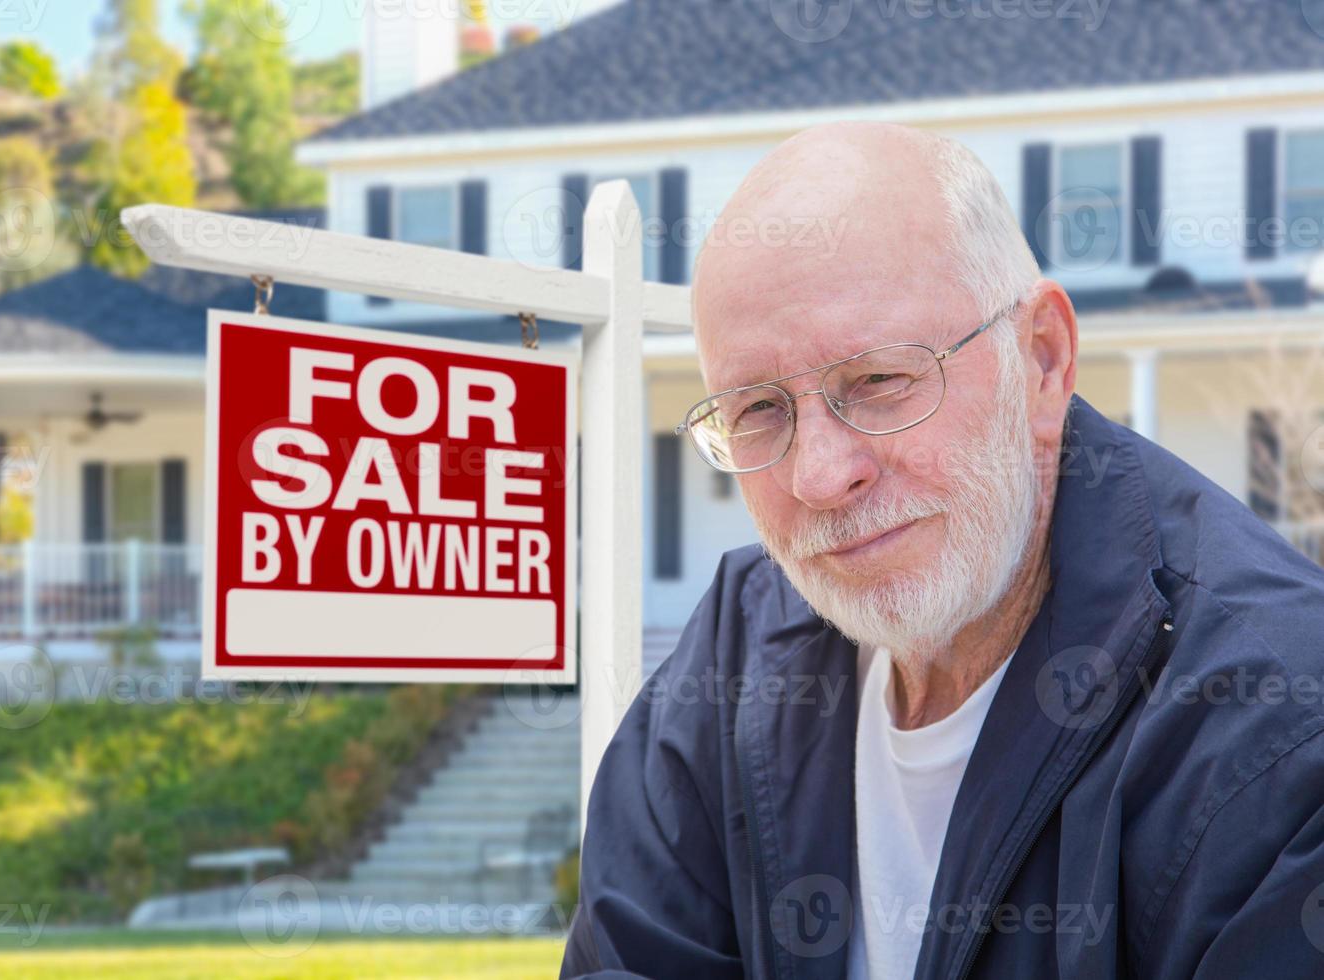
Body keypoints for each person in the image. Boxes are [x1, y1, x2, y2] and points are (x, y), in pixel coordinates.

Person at [559, 121, 1324, 979]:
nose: (819, 475)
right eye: (757, 410)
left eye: (879, 381)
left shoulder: (1277, 729)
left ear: (1042, 360)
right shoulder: (735, 653)